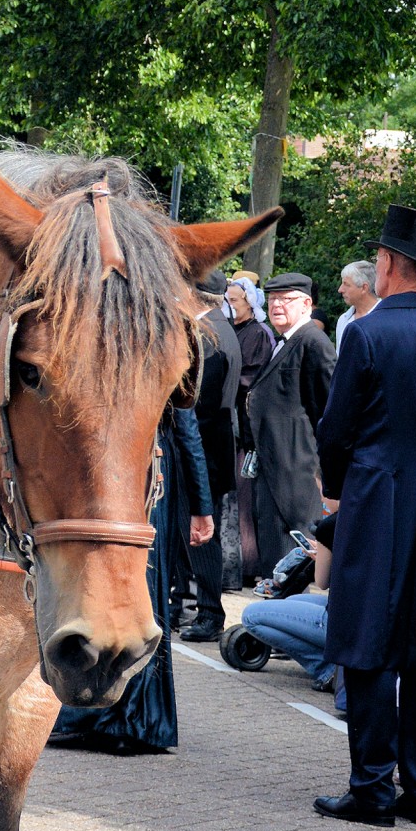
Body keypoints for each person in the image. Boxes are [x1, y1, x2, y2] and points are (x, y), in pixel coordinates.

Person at [314, 206, 416, 826]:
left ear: (386, 264)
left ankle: (371, 790)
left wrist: (336, 491)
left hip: (375, 492)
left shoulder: (367, 333)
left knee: (367, 643)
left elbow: (336, 430)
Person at [49, 400, 212, 754]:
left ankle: (130, 720)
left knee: (133, 593)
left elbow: (186, 428)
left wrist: (202, 505)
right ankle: (116, 718)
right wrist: (202, 506)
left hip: (132, 477)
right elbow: (187, 430)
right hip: (126, 474)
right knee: (121, 593)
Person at [246, 273, 336, 579]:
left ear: (307, 303)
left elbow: (327, 413)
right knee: (275, 564)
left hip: (297, 477)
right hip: (276, 471)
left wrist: (323, 473)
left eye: (286, 299)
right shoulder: (285, 340)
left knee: (288, 566)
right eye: (272, 299)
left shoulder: (313, 341)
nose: (276, 305)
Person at [182, 272, 241, 641]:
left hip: (202, 449)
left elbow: (195, 405)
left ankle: (208, 612)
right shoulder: (219, 327)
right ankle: (192, 606)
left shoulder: (207, 337)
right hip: (209, 447)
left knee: (202, 535)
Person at [240, 512, 346, 709]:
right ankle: (334, 667)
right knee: (294, 600)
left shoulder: (332, 525)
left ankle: (327, 670)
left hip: (342, 619)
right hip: (352, 613)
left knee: (252, 616)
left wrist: (322, 555)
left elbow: (322, 581)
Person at [223, 273, 276, 584]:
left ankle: (248, 565)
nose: (230, 306)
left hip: (245, 428)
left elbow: (249, 379)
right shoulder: (236, 330)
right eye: (227, 301)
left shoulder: (255, 333)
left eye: (235, 301)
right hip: (234, 424)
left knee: (243, 500)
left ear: (249, 304)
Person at [334, 259, 378, 352]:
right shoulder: (344, 319)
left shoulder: (384, 317)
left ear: (364, 288)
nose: (340, 289)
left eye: (346, 284)